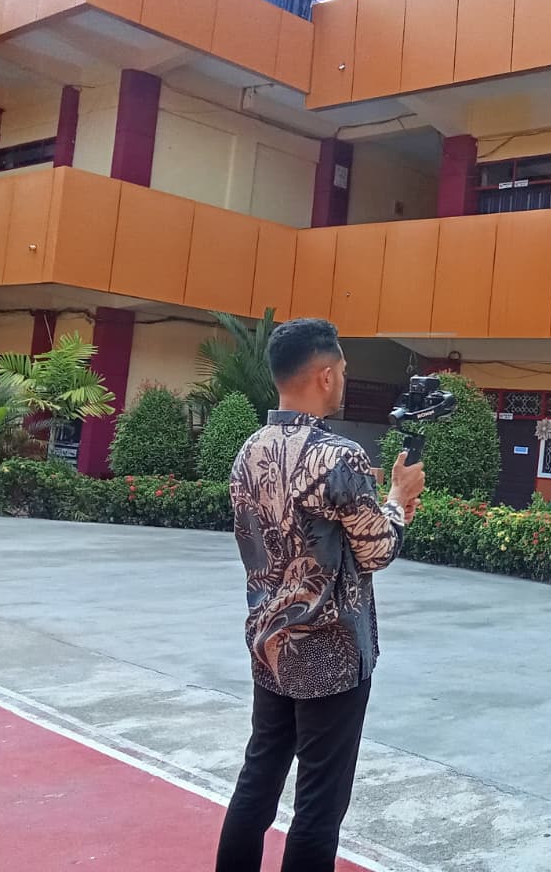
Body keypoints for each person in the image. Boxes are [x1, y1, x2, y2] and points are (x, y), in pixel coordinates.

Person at [215, 318, 425, 871]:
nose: (345, 381)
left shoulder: (249, 451)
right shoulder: (339, 456)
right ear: (325, 375)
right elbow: (377, 550)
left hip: (270, 642)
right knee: (318, 806)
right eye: (344, 372)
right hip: (331, 650)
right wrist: (398, 499)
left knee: (258, 780)